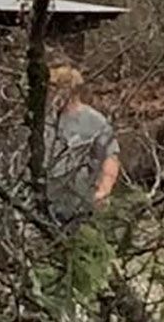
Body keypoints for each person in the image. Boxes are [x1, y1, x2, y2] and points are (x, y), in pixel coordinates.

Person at [45, 64, 120, 226]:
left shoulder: (94, 120)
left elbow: (110, 157)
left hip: (79, 203)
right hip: (45, 201)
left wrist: (103, 191)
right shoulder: (44, 120)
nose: (52, 93)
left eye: (56, 88)